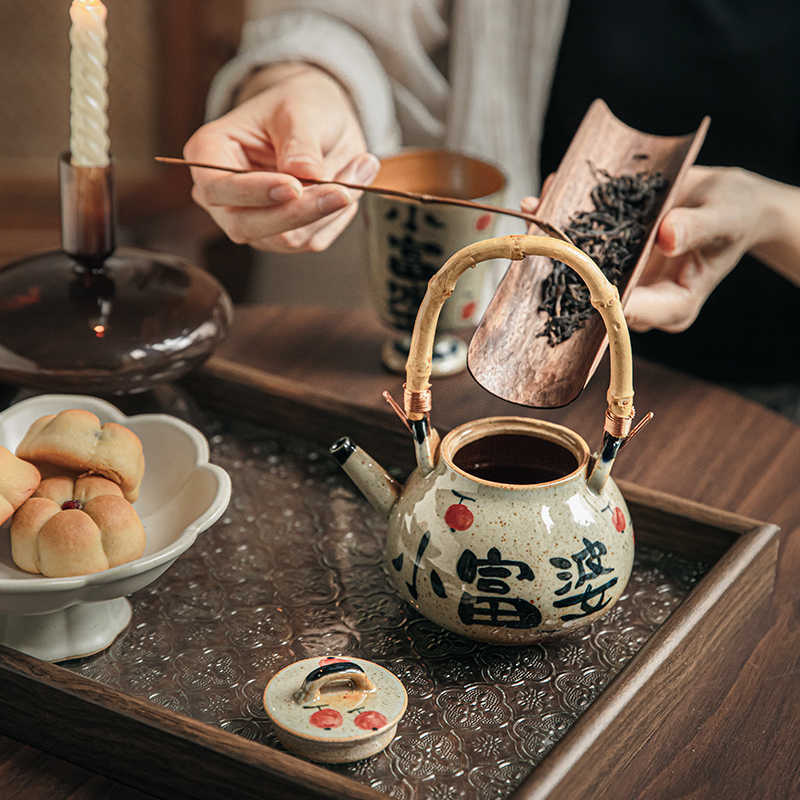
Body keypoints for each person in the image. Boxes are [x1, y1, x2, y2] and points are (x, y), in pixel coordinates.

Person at [185, 1, 800, 408]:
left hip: (771, 398)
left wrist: (772, 214)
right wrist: (303, 82)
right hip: (502, 362)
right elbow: (341, 18)